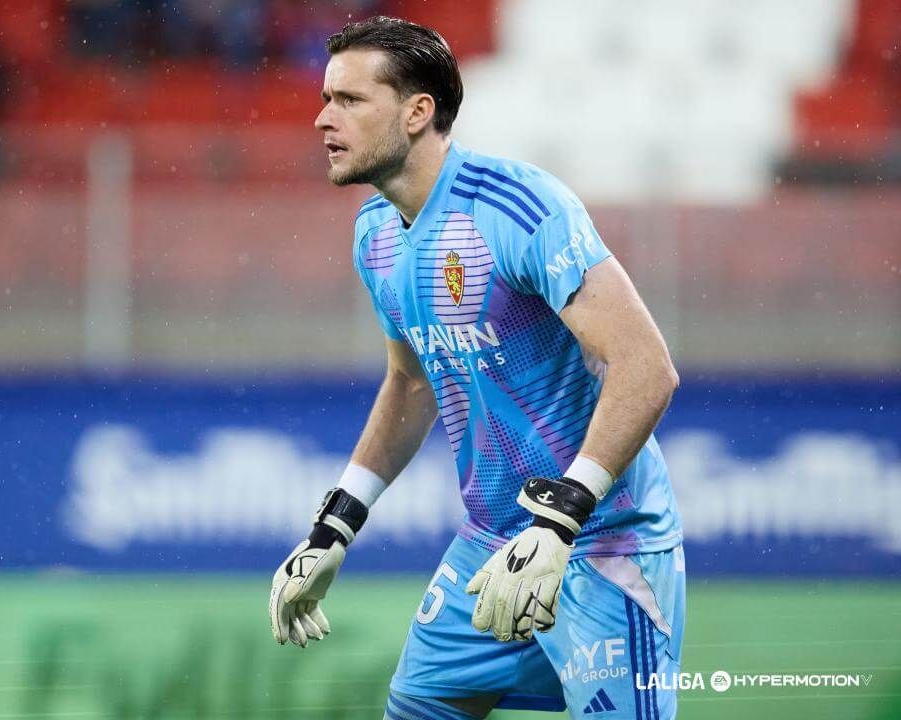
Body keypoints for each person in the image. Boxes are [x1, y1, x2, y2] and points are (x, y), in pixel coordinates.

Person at [269, 16, 685, 720]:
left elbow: (646, 367)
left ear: (417, 112)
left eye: (348, 100)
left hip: (603, 541)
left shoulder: (519, 208)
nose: (321, 118)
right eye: (324, 97)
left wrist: (558, 524)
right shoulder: (375, 236)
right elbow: (410, 383)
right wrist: (332, 528)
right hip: (492, 542)